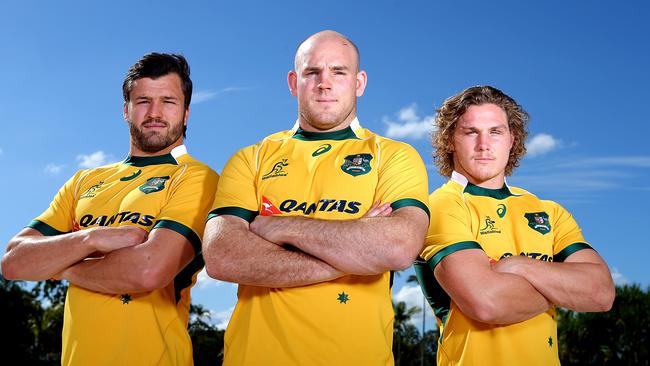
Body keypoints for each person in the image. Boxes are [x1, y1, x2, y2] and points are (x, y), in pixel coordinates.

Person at [202, 30, 430, 366]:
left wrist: (282, 227)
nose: (325, 83)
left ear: (359, 82)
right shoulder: (251, 158)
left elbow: (398, 247)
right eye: (312, 72)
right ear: (294, 82)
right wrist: (355, 253)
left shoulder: (394, 156)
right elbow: (222, 256)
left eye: (339, 72)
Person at [2, 53, 219, 365]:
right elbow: (14, 263)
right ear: (125, 110)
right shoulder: (84, 180)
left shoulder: (197, 177)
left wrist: (60, 267)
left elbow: (148, 270)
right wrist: (90, 239)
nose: (154, 112)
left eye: (168, 102)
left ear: (185, 114)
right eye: (143, 100)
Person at [414, 85, 615, 366]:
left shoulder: (549, 212)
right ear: (449, 140)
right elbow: (486, 302)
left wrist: (519, 266)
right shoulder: (441, 206)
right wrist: (563, 290)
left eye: (495, 132)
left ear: (512, 139)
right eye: (471, 132)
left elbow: (601, 293)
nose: (484, 144)